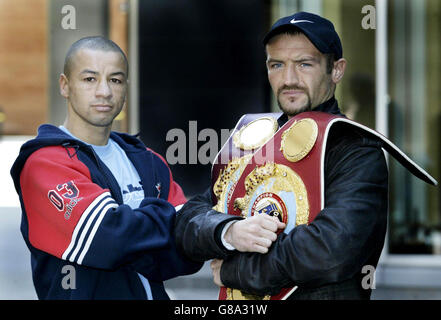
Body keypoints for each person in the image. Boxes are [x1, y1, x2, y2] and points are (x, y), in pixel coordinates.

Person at [174, 11, 414, 300]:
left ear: (336, 70)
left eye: (304, 64)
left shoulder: (355, 149)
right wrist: (229, 230)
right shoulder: (254, 138)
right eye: (277, 64)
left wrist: (234, 271)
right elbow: (188, 220)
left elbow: (329, 252)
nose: (289, 79)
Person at [10, 36, 202, 300]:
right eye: (90, 79)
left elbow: (186, 252)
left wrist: (143, 236)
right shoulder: (43, 164)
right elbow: (107, 239)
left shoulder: (148, 161)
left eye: (115, 80)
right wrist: (168, 224)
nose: (105, 91)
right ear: (65, 86)